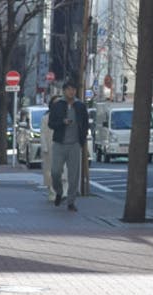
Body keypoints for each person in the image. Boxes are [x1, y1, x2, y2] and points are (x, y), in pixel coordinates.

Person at [47, 77, 89, 211]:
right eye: (69, 89)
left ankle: (71, 201)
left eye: (74, 90)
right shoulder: (57, 105)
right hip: (59, 143)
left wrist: (82, 140)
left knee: (73, 175)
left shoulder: (80, 106)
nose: (72, 92)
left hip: (75, 144)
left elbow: (85, 124)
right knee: (55, 172)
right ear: (64, 91)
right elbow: (51, 124)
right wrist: (62, 122)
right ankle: (59, 191)